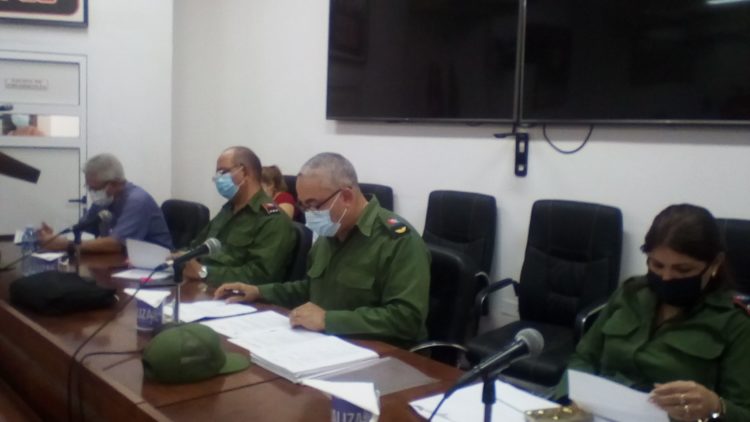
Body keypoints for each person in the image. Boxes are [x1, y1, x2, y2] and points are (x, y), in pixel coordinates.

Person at [555, 204, 750, 422]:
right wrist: (570, 399)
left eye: (683, 269)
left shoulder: (735, 323)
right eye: (657, 265)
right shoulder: (630, 293)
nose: (666, 277)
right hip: (598, 414)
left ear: (715, 264)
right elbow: (584, 357)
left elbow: (744, 412)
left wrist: (715, 406)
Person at [214, 152, 430, 347]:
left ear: (346, 197)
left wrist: (328, 320)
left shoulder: (397, 240)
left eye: (314, 205)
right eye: (303, 206)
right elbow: (313, 289)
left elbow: (407, 319)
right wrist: (259, 292)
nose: (309, 215)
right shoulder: (331, 232)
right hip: (327, 344)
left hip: (381, 354)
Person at [182, 146, 296, 287]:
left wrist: (204, 272)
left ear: (244, 172)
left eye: (223, 172)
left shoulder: (272, 218)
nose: (217, 179)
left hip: (232, 294)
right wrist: (181, 258)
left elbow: (261, 276)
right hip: (201, 286)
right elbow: (197, 246)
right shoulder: (228, 209)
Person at [37, 153, 173, 253]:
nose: (93, 193)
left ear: (115, 183)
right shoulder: (104, 200)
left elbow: (115, 244)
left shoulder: (137, 201)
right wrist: (55, 238)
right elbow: (83, 229)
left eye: (95, 189)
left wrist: (66, 245)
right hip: (125, 261)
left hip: (157, 265)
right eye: (89, 188)